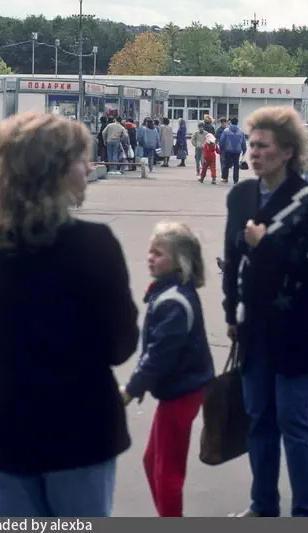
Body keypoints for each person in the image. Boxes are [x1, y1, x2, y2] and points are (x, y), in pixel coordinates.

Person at [0, 112, 139, 516]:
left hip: (0, 428)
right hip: (80, 430)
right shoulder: (96, 245)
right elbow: (121, 345)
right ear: (53, 171)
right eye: (79, 160)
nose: (88, 168)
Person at [222, 107, 308, 518]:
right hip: (254, 329)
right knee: (259, 420)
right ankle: (262, 505)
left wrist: (266, 245)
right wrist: (231, 312)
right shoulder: (241, 195)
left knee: (295, 424)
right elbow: (232, 259)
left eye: (263, 146)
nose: (253, 153)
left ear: (287, 151)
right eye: (251, 145)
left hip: (299, 330)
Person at [121, 222, 214, 517]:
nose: (150, 257)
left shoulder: (173, 302)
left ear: (179, 261)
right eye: (150, 251)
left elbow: (159, 355)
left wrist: (132, 389)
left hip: (182, 392)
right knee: (154, 462)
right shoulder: (170, 292)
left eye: (158, 253)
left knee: (167, 472)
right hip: (180, 389)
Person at [219, 117, 247, 185]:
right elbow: (243, 142)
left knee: (226, 164)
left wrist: (221, 149)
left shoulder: (226, 131)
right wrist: (244, 149)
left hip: (228, 150)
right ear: (237, 123)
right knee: (236, 166)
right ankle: (235, 180)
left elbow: (222, 141)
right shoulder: (241, 131)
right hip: (237, 151)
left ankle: (225, 178)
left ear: (231, 122)